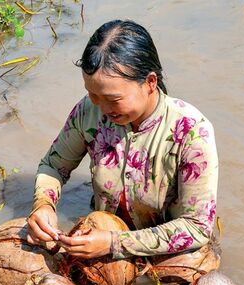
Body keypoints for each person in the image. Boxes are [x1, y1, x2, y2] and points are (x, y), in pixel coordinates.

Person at [27, 20, 218, 260]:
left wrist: (114, 243)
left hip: (166, 247)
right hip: (102, 230)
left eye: (113, 99)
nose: (102, 107)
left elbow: (197, 227)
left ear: (150, 82)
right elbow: (53, 166)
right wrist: (44, 204)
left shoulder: (191, 132)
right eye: (93, 94)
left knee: (189, 273)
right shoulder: (88, 112)